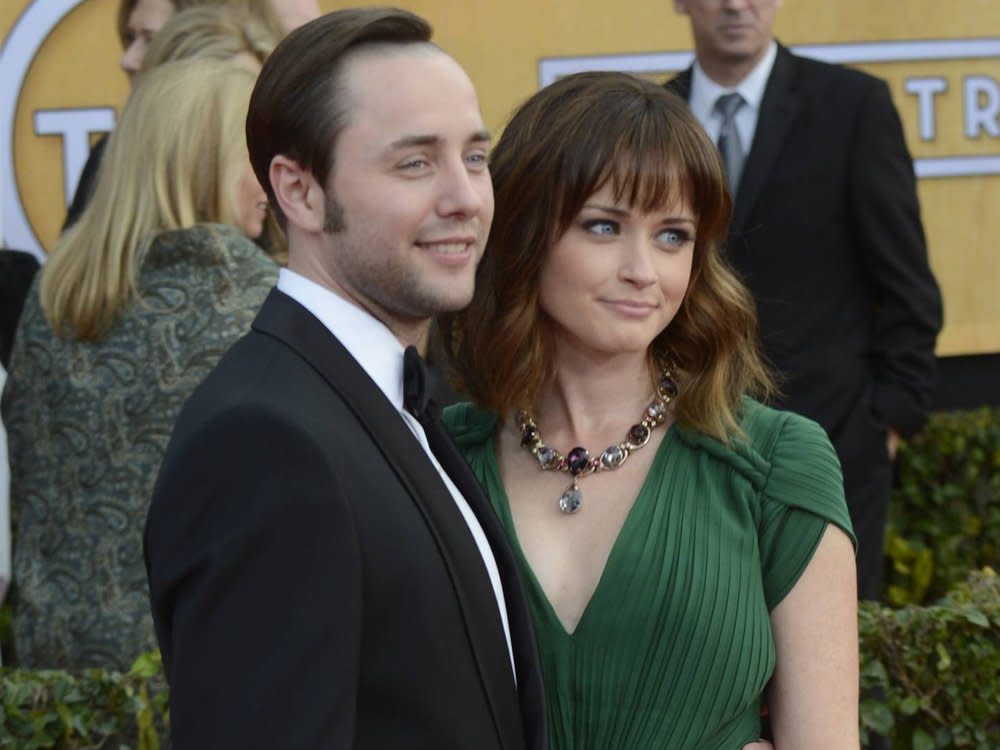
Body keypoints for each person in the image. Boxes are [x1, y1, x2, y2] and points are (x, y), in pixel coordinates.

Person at [144, 8, 546, 748]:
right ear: (298, 193)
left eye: (476, 157)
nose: (465, 197)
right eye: (415, 163)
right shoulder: (263, 443)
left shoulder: (389, 399)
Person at [442, 71, 859, 749]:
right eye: (603, 226)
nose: (643, 269)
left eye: (673, 236)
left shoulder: (776, 463)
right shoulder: (439, 462)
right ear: (523, 233)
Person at [2, 58, 277, 670]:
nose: (271, 184)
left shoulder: (51, 299)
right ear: (206, 160)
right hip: (203, 678)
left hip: (53, 686)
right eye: (255, 158)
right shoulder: (266, 306)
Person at [667, 0, 943, 602]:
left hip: (834, 442)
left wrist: (887, 423)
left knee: (827, 663)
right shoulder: (652, 121)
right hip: (677, 440)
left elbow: (906, 284)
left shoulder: (851, 108)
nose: (737, 4)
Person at [62, 0, 292, 231]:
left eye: (150, 39)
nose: (128, 60)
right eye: (131, 38)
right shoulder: (111, 159)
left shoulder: (291, 189)